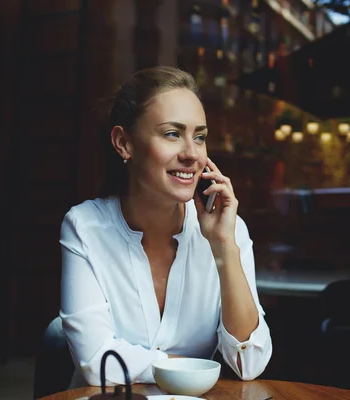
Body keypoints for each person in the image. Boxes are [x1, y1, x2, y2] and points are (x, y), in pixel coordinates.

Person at [59, 66, 272, 388]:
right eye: (172, 134)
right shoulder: (85, 226)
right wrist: (195, 370)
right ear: (124, 143)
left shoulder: (228, 230)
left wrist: (224, 247)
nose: (191, 154)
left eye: (199, 137)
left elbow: (249, 363)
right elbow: (97, 361)